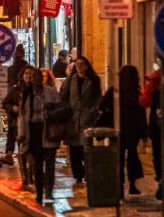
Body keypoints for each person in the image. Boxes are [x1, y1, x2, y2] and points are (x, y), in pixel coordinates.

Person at [98, 63, 147, 196]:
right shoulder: (136, 93)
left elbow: (101, 105)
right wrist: (143, 133)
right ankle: (132, 184)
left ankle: (119, 186)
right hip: (132, 130)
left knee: (118, 157)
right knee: (132, 156)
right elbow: (141, 114)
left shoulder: (114, 91)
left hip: (118, 129)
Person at [18, 67, 61, 204]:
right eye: (33, 77)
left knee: (50, 164)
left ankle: (48, 192)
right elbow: (23, 116)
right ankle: (40, 192)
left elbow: (59, 109)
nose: (36, 79)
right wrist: (22, 134)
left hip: (49, 130)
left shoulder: (51, 92)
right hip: (34, 131)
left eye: (38, 77)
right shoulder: (27, 93)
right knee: (37, 164)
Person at [61, 56, 101, 188]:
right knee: (74, 149)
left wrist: (92, 112)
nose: (79, 66)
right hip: (72, 118)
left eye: (82, 64)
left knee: (87, 147)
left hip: (86, 117)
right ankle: (78, 174)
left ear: (87, 66)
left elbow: (97, 98)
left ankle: (89, 172)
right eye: (77, 64)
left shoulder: (93, 80)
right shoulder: (70, 80)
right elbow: (64, 96)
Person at [140, 64, 161, 198]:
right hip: (157, 124)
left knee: (158, 154)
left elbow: (144, 101)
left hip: (157, 123)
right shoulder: (155, 78)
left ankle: (160, 180)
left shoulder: (155, 78)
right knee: (158, 153)